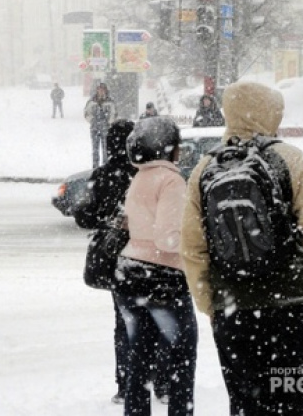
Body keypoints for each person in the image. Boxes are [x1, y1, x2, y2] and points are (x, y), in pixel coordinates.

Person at [182, 82, 303, 416]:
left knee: (246, 404)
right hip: (296, 306)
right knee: (299, 402)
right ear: (271, 112)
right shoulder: (290, 159)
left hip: (234, 310)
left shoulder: (205, 169)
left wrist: (209, 302)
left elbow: (192, 248)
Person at [72, 120, 170, 405]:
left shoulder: (102, 175)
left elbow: (83, 216)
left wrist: (107, 222)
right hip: (152, 258)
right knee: (159, 317)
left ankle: (127, 383)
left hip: (119, 264)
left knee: (126, 323)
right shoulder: (149, 174)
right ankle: (163, 381)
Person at [114, 116, 197, 416]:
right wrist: (197, 238)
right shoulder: (171, 179)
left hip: (129, 270)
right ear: (168, 147)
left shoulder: (140, 177)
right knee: (181, 359)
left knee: (139, 358)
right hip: (162, 276)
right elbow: (168, 238)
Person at [84, 82, 118, 168]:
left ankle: (105, 166)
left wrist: (108, 122)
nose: (101, 91)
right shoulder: (91, 101)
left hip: (106, 128)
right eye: (99, 89)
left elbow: (114, 113)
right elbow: (86, 113)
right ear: (97, 90)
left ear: (106, 90)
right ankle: (95, 167)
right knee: (95, 149)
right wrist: (92, 121)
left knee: (106, 148)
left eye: (103, 89)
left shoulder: (110, 101)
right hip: (94, 128)